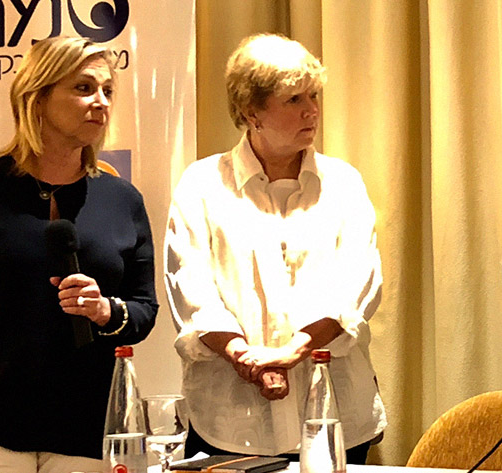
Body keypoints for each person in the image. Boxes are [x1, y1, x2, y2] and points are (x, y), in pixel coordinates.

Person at [0, 36, 158, 472]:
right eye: (83, 88)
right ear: (38, 98)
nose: (100, 102)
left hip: (88, 432)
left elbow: (143, 310)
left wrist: (105, 311)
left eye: (107, 91)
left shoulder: (122, 199)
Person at [165, 33, 385, 463]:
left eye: (314, 95)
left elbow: (358, 286)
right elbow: (190, 289)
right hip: (229, 423)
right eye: (293, 99)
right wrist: (245, 356)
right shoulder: (202, 184)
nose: (312, 110)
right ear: (252, 112)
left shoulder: (343, 183)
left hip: (336, 414)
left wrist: (290, 352)